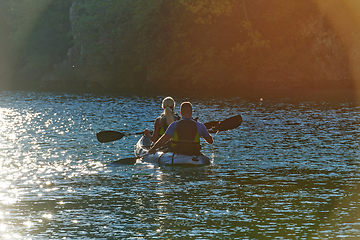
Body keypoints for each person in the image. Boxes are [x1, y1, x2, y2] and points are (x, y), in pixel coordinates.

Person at [148, 101, 213, 155]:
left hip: (177, 152)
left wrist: (153, 149)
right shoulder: (200, 125)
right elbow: (210, 141)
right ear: (191, 113)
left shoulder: (174, 125)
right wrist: (205, 132)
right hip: (193, 152)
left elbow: (163, 141)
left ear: (180, 113)